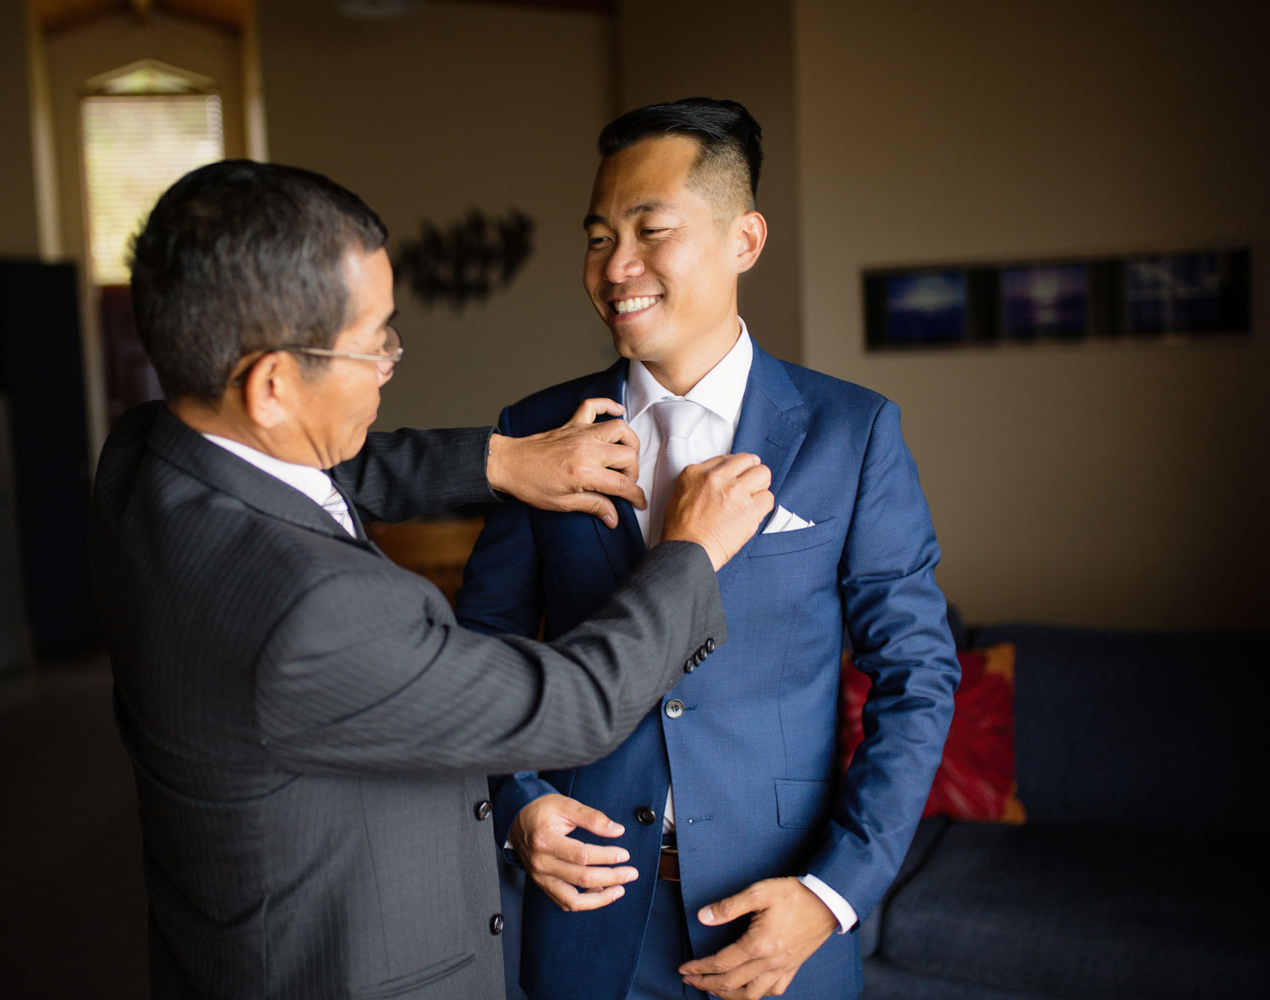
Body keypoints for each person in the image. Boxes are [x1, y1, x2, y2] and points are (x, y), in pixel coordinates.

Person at [88, 159, 779, 1000]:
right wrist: (690, 553)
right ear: (272, 385)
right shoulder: (312, 610)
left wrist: (500, 460)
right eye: (376, 339)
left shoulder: (145, 454)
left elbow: (340, 467)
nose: (390, 361)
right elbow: (576, 703)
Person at [456, 99, 961, 1000]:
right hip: (587, 916)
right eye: (599, 237)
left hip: (782, 922)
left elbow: (915, 677)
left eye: (651, 230)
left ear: (746, 239)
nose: (617, 268)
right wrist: (517, 799)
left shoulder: (853, 432)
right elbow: (484, 647)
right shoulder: (533, 431)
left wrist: (834, 894)